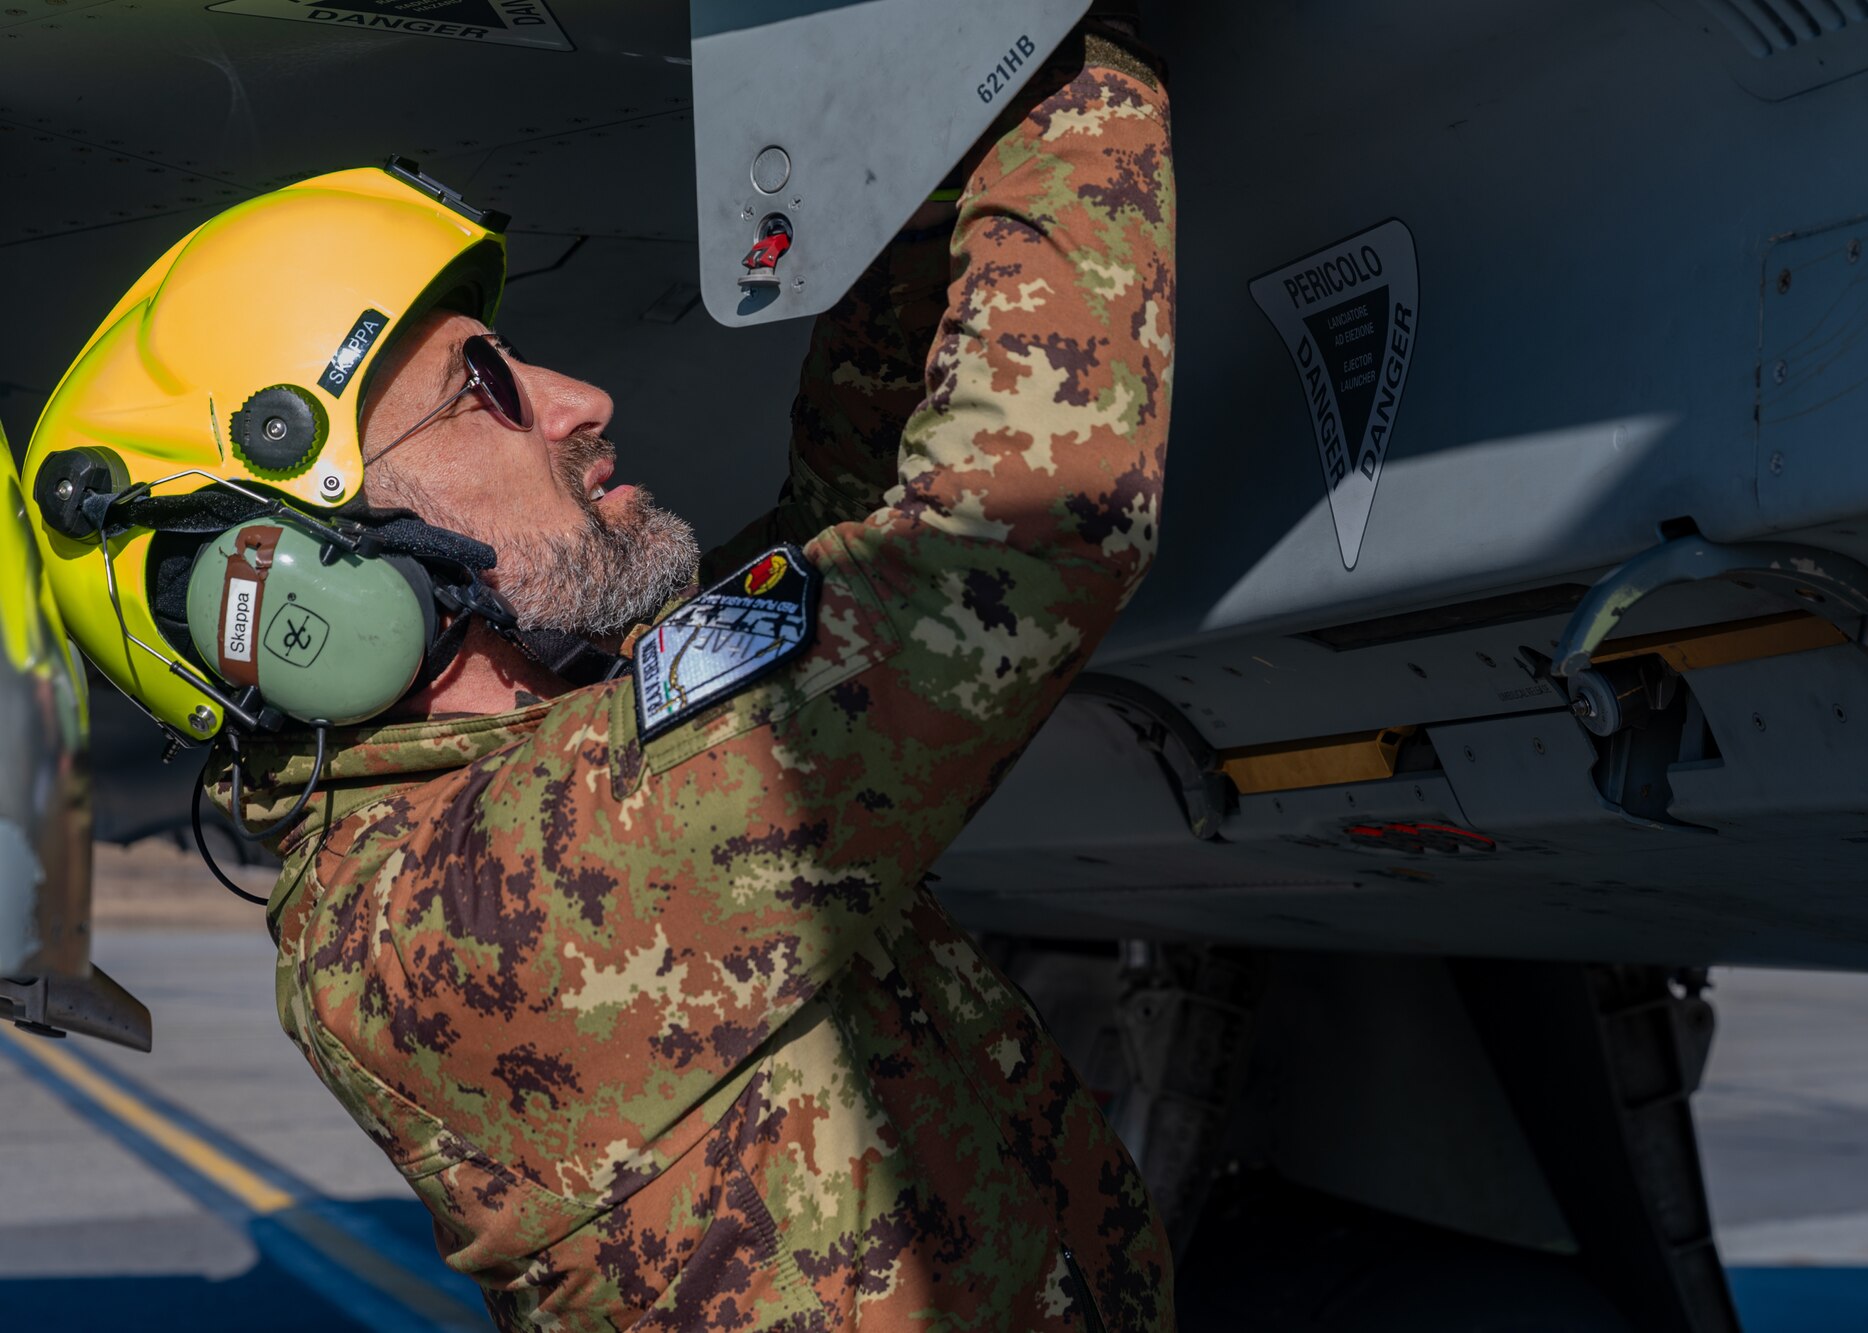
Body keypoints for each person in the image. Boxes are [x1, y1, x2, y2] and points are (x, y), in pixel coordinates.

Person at [25, 18, 1176, 1331]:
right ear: (304, 590)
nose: (578, 398)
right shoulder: (453, 916)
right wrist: (1084, 71)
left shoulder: (553, 759)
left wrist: (946, 90)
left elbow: (841, 516)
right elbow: (1011, 538)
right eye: (488, 393)